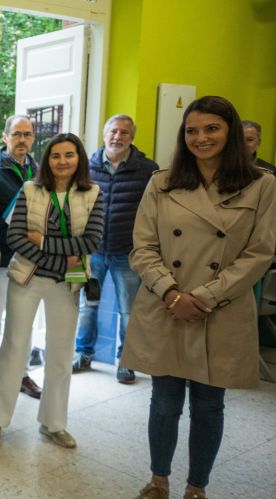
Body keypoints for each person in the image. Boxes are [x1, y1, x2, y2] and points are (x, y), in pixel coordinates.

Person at [124, 96, 275, 499]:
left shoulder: (260, 185)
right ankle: (157, 482)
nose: (201, 138)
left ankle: (196, 492)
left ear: (229, 133)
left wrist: (205, 296)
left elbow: (260, 253)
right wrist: (172, 293)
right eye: (192, 130)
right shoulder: (163, 183)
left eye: (211, 129)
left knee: (209, 405)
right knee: (164, 401)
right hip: (166, 304)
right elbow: (143, 247)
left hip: (221, 309)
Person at [0, 133, 103, 450]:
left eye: (70, 155)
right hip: (28, 279)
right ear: (47, 160)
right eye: (56, 155)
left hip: (68, 282)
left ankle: (53, 423)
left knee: (62, 355)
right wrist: (61, 252)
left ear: (79, 158)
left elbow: (91, 240)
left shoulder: (93, 193)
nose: (63, 161)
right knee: (14, 347)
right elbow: (18, 239)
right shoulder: (30, 190)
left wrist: (45, 243)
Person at [71, 115, 159, 383]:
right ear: (104, 133)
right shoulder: (86, 166)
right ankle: (83, 353)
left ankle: (126, 361)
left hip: (127, 252)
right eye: (113, 131)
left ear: (132, 137)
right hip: (92, 251)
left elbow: (155, 211)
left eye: (123, 132)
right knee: (88, 305)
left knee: (128, 310)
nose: (117, 137)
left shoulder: (147, 169)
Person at [0, 115, 44, 399]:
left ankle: (21, 374)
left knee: (26, 321)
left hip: (33, 260)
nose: (22, 139)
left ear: (33, 138)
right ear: (5, 137)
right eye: (17, 134)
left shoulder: (41, 173)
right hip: (3, 257)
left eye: (27, 134)